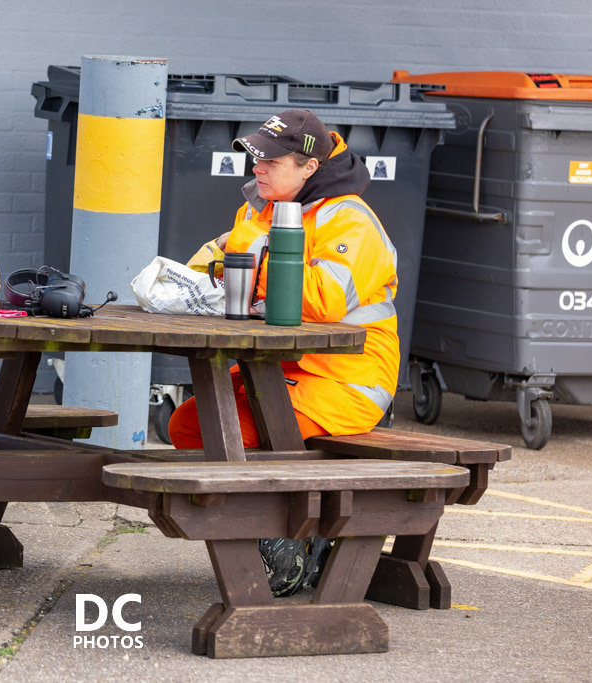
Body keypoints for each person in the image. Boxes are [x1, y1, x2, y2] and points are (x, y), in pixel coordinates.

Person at [168, 109, 399, 594]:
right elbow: (205, 262)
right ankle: (288, 532)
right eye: (256, 158)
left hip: (346, 380)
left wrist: (246, 259)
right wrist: (241, 263)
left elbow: (318, 300)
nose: (257, 168)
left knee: (236, 436)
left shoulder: (350, 219)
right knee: (188, 426)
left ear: (309, 167)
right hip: (277, 370)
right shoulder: (262, 208)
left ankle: (285, 540)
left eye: (271, 161)